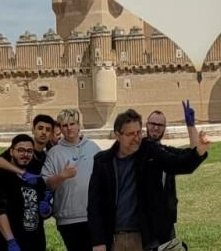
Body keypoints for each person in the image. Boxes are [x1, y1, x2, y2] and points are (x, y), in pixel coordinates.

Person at [88, 108, 210, 251]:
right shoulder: (102, 162)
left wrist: (199, 151)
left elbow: (178, 163)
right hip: (115, 238)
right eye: (130, 134)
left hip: (145, 238)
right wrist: (98, 241)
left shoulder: (150, 151)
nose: (137, 138)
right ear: (118, 135)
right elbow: (94, 205)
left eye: (139, 132)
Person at [142, 102, 202, 246]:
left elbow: (191, 156)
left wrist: (191, 125)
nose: (155, 127)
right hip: (144, 223)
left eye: (160, 125)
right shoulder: (140, 150)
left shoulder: (163, 151)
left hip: (165, 221)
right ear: (146, 124)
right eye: (152, 123)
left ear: (164, 128)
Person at [42, 109, 100, 251]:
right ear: (60, 129)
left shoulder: (93, 147)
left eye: (72, 124)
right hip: (69, 220)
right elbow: (47, 184)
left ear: (79, 125)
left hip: (94, 216)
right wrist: (62, 176)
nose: (69, 128)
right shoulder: (54, 153)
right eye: (65, 125)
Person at [0, 135, 48, 251]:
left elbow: (42, 209)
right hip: (9, 244)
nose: (25, 154)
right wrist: (11, 241)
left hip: (36, 243)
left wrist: (47, 209)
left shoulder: (35, 177)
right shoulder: (0, 176)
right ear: (11, 151)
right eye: (21, 150)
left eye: (29, 151)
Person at [0, 115, 56, 185]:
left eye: (48, 130)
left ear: (51, 134)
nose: (44, 132)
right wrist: (22, 173)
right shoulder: (21, 147)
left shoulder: (45, 156)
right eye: (40, 128)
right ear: (33, 130)